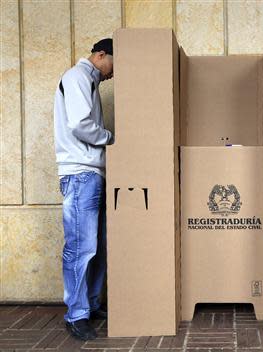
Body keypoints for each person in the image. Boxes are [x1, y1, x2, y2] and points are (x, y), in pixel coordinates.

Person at [53, 38, 115, 341]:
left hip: (92, 173)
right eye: (114, 64)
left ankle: (90, 304)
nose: (114, 73)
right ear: (100, 55)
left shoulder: (89, 81)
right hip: (80, 174)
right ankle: (76, 315)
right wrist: (110, 138)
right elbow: (80, 125)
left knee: (99, 245)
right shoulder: (77, 77)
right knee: (81, 246)